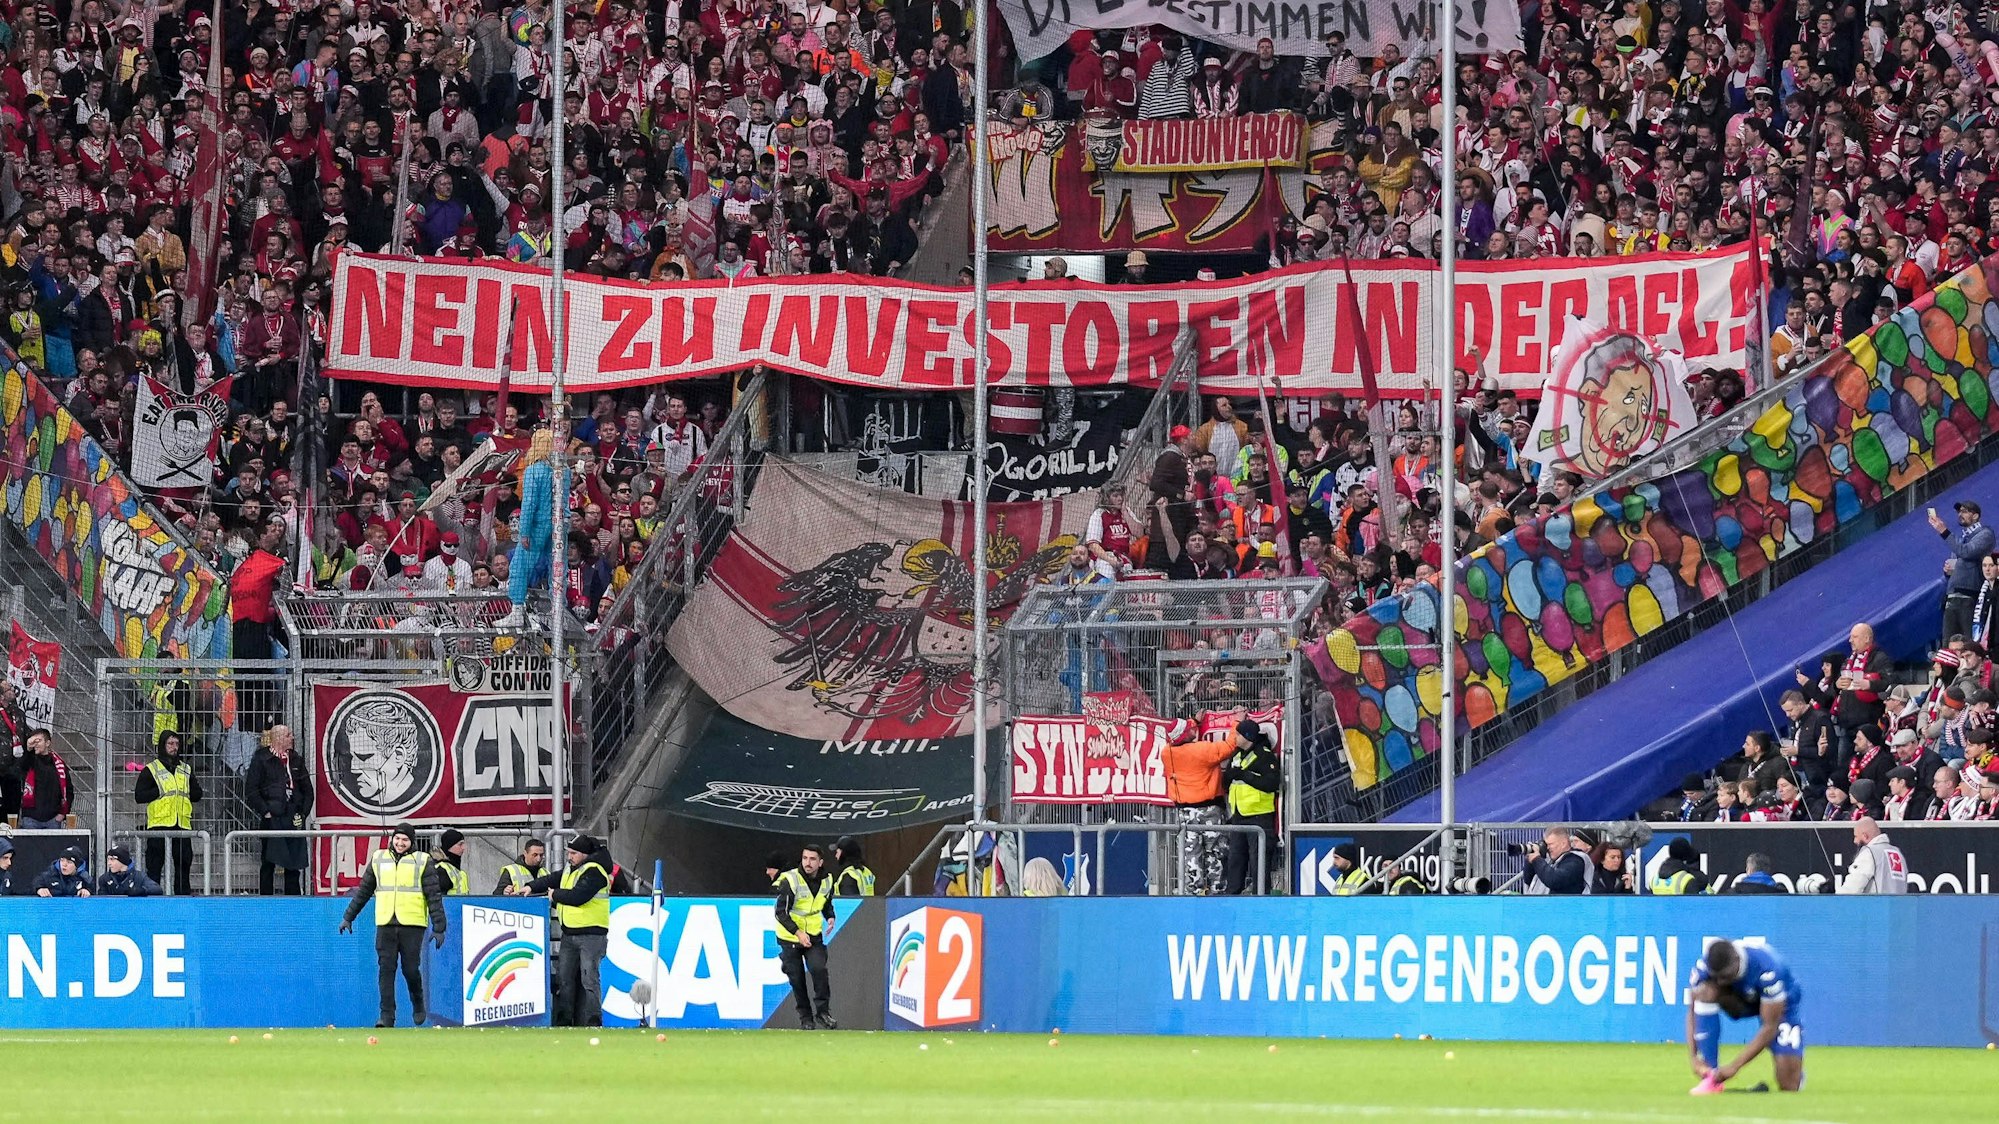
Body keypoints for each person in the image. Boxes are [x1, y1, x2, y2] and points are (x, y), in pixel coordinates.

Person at [339, 823, 447, 1028]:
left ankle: (418, 1004)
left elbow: (433, 895)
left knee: (410, 969)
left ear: (412, 842)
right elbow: (364, 891)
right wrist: (348, 917)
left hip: (413, 923)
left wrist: (439, 927)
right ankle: (387, 1016)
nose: (400, 843)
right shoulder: (378, 858)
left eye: (405, 840)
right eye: (397, 838)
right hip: (386, 923)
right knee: (386, 970)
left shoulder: (423, 861)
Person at [1687, 937, 1805, 1094]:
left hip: (1781, 1004)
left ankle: (1793, 1066)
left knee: (1788, 1085)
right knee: (1705, 991)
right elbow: (1692, 1010)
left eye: (1725, 976)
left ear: (1737, 960)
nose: (1720, 981)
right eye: (1717, 977)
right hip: (1739, 998)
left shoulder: (1767, 969)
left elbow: (1770, 1026)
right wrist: (1694, 1057)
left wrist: (1735, 1066)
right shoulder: (1703, 968)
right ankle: (1711, 1075)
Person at [533, 835, 612, 1027]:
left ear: (585, 854)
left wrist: (555, 895)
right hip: (570, 934)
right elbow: (551, 878)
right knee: (564, 980)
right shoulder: (572, 869)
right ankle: (564, 1021)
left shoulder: (595, 872)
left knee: (589, 979)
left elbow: (578, 896)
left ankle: (593, 1020)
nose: (569, 857)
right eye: (569, 852)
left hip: (591, 935)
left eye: (574, 853)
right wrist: (530, 886)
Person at [1163, 719, 1234, 895]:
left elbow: (1182, 738)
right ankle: (1216, 893)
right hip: (1210, 811)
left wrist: (1194, 721)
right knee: (1215, 854)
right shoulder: (1202, 749)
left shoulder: (1166, 753)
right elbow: (1229, 746)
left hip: (1185, 813)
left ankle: (1193, 893)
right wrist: (1238, 722)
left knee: (1191, 857)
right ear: (1187, 734)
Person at [774, 843, 838, 1029]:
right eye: (804, 858)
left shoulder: (827, 880)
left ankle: (823, 1012)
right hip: (790, 936)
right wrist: (798, 932)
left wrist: (830, 917)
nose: (807, 863)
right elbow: (780, 912)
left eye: (812, 859)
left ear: (820, 862)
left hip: (814, 934)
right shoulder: (791, 880)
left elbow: (825, 902)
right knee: (797, 979)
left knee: (819, 969)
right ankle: (806, 1018)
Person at [245, 725, 313, 895]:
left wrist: (303, 813)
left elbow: (308, 791)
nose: (292, 738)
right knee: (268, 861)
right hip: (272, 817)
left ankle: (293, 900)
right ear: (278, 738)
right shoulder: (261, 758)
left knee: (294, 864)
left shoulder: (296, 760)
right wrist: (265, 811)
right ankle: (266, 900)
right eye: (288, 735)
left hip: (293, 816)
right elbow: (251, 789)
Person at [134, 731, 200, 894]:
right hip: (159, 824)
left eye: (177, 744)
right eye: (170, 744)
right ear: (163, 746)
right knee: (154, 867)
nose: (174, 747)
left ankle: (182, 899)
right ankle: (154, 899)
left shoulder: (185, 769)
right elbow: (139, 796)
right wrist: (158, 791)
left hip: (182, 824)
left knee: (183, 865)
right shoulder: (151, 769)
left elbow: (197, 793)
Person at [1220, 720, 1280, 895]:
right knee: (1235, 858)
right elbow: (1228, 781)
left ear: (1248, 737)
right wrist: (1229, 777)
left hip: (1259, 816)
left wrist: (1245, 775)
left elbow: (1271, 783)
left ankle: (1260, 895)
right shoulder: (1237, 754)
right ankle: (1232, 894)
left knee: (1258, 860)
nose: (1235, 737)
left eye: (1238, 734)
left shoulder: (1265, 756)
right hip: (1239, 815)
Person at [1928, 500, 1994, 641]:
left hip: (1969, 598)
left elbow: (1966, 552)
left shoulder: (1985, 534)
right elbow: (1961, 557)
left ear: (1975, 516)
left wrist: (1944, 531)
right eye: (1959, 511)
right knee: (1949, 644)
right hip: (1953, 597)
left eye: (1964, 511)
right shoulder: (1961, 539)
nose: (1960, 514)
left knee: (1968, 643)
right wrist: (1949, 571)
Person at [1836, 817, 1909, 894]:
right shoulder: (1897, 853)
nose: (1855, 841)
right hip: (1900, 901)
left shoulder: (1869, 853)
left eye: (1856, 836)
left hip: (1877, 901)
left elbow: (1851, 888)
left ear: (1865, 836)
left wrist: (1837, 898)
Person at [18, 728, 72, 829]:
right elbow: (24, 763)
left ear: (47, 743)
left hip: (53, 819)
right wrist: (28, 749)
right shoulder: (30, 760)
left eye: (38, 741)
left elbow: (68, 791)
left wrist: (62, 814)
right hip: (30, 819)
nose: (35, 744)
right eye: (33, 741)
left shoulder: (59, 764)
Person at [1521, 827, 1587, 894]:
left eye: (1550, 844)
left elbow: (1554, 880)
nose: (1547, 848)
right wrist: (1530, 859)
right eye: (1546, 844)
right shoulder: (1549, 860)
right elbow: (1528, 879)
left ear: (1563, 844)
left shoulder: (1576, 860)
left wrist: (1536, 859)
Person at [95, 845, 163, 896]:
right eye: (108, 859)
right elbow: (102, 901)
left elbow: (157, 889)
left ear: (122, 861)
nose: (109, 863)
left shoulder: (138, 877)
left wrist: (142, 890)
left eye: (112, 859)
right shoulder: (105, 878)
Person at [433, 829, 471, 894]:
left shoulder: (458, 871)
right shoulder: (442, 870)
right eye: (460, 844)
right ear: (449, 847)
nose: (463, 847)